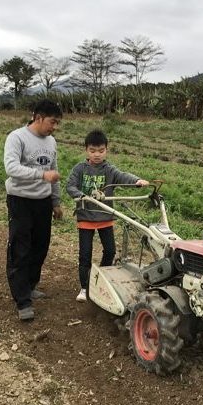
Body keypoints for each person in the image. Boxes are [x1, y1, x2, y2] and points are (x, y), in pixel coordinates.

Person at [66, 129, 149, 302]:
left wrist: (137, 181)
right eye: (93, 151)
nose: (97, 155)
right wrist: (80, 195)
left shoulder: (109, 170)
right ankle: (84, 287)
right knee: (85, 255)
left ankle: (100, 278)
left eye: (101, 151)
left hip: (105, 217)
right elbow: (70, 186)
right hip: (86, 218)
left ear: (106, 150)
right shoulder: (80, 169)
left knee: (110, 251)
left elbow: (122, 176)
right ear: (86, 150)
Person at [4, 100, 63, 321]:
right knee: (21, 248)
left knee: (40, 246)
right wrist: (40, 175)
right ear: (39, 118)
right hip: (20, 200)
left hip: (42, 202)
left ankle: (29, 286)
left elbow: (54, 171)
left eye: (56, 123)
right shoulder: (17, 137)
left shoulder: (52, 142)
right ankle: (22, 300)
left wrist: (55, 202)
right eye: (52, 121)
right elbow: (11, 167)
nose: (54, 126)